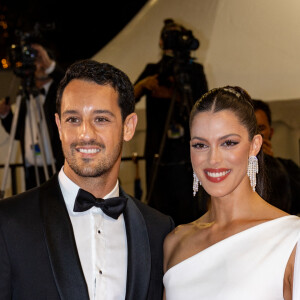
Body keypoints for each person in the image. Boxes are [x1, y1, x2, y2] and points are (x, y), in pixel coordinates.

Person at [0, 59, 175, 299]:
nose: (85, 133)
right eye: (73, 119)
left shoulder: (159, 230)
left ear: (128, 127)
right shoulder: (7, 223)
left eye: (101, 119)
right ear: (59, 126)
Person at [163, 86, 300, 299]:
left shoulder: (292, 238)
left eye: (228, 143)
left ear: (254, 145)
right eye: (200, 145)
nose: (213, 159)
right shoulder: (175, 241)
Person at [134, 18, 208, 225]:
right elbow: (125, 101)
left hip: (188, 156)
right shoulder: (153, 70)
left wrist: (174, 95)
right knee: (158, 212)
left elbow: (204, 109)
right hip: (158, 153)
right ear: (160, 42)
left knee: (190, 212)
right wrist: (142, 85)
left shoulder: (194, 71)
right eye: (169, 36)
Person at [0, 43, 65, 190]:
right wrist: (5, 115)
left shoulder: (60, 92)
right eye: (36, 62)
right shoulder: (25, 95)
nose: (39, 66)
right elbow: (18, 132)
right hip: (31, 170)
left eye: (42, 61)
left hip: (56, 168)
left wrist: (50, 65)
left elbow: (66, 81)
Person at [252, 99, 300, 215]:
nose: (257, 135)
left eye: (261, 128)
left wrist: (271, 164)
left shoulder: (288, 167)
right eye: (252, 129)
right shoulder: (233, 170)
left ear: (271, 132)